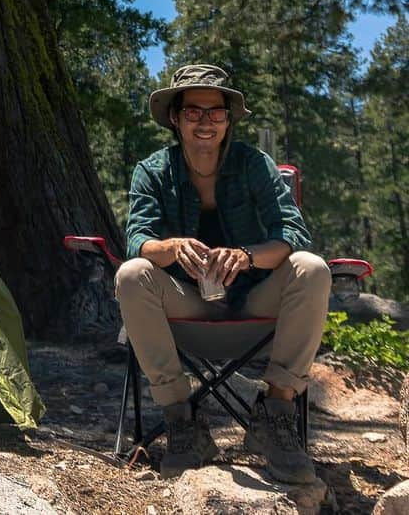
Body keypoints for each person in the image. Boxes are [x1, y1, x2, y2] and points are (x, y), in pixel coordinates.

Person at [116, 63, 331, 483]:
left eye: (215, 112)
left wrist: (248, 256)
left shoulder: (256, 165)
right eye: (193, 112)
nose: (204, 122)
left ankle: (275, 414)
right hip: (186, 308)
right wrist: (171, 247)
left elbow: (293, 234)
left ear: (228, 118)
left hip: (254, 305)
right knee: (131, 273)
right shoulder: (153, 171)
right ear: (175, 118)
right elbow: (136, 238)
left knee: (312, 268)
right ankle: (182, 422)